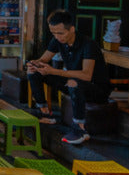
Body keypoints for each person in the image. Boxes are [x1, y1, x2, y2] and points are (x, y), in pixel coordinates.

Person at [26, 8, 112, 145]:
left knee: (73, 83)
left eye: (60, 33)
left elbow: (86, 75)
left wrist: (54, 71)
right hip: (73, 82)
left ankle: (80, 129)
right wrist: (34, 64)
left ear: (72, 29)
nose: (57, 37)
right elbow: (44, 60)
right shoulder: (57, 40)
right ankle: (45, 113)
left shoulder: (88, 45)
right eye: (53, 33)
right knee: (33, 72)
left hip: (96, 89)